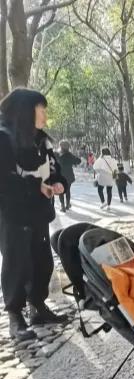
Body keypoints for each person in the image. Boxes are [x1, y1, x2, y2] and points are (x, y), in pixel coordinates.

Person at [0, 88, 68, 341]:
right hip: (13, 214)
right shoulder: (4, 138)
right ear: (26, 111)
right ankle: (15, 316)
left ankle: (37, 306)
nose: (45, 116)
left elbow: (53, 168)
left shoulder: (40, 140)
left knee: (42, 261)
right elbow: (4, 181)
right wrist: (35, 186)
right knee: (17, 263)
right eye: (42, 110)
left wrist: (59, 182)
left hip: (39, 213)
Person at [56, 140, 81, 212]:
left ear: (61, 147)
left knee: (61, 191)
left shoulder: (57, 154)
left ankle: (62, 206)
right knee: (67, 190)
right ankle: (67, 204)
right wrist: (73, 161)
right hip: (69, 176)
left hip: (60, 175)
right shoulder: (70, 155)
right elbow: (79, 161)